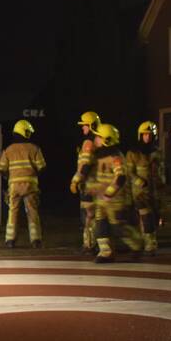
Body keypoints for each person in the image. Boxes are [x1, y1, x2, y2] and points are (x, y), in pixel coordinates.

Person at [89, 123, 143, 263]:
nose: (95, 139)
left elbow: (121, 177)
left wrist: (109, 193)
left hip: (115, 199)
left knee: (118, 226)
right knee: (100, 225)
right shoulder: (99, 156)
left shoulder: (116, 157)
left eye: (98, 137)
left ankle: (137, 244)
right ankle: (106, 253)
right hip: (102, 199)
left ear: (106, 140)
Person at [0, 119, 47, 248]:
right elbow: (42, 167)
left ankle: (10, 240)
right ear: (24, 132)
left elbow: (1, 169)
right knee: (32, 212)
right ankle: (36, 240)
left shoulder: (8, 150)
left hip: (14, 186)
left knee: (12, 211)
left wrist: (9, 179)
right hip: (30, 186)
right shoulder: (35, 148)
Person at [126, 121, 165, 256]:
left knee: (154, 218)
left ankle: (147, 241)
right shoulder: (133, 153)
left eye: (149, 135)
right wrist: (138, 181)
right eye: (145, 135)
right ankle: (149, 245)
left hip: (155, 192)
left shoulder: (157, 152)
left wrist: (162, 182)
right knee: (146, 217)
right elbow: (128, 172)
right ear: (140, 136)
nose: (147, 137)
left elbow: (161, 169)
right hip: (140, 192)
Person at [69, 111, 100, 254]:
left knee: (88, 216)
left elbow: (85, 165)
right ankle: (95, 243)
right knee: (94, 215)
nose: (83, 128)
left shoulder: (88, 142)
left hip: (88, 185)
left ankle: (89, 245)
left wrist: (75, 180)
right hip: (97, 185)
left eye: (85, 125)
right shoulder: (99, 141)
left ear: (92, 125)